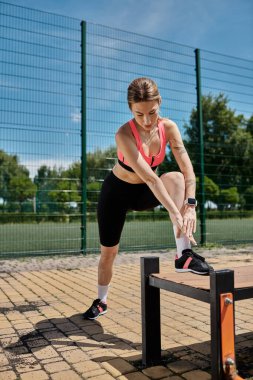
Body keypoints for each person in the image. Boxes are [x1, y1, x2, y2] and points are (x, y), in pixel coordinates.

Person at [83, 77, 212, 320]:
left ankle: (182, 255)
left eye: (152, 112)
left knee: (175, 178)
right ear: (131, 110)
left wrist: (191, 205)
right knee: (108, 253)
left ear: (159, 103)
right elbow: (152, 179)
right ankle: (101, 300)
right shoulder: (123, 134)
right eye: (139, 114)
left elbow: (188, 171)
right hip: (117, 193)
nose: (146, 120)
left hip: (145, 193)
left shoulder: (169, 128)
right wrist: (176, 212)